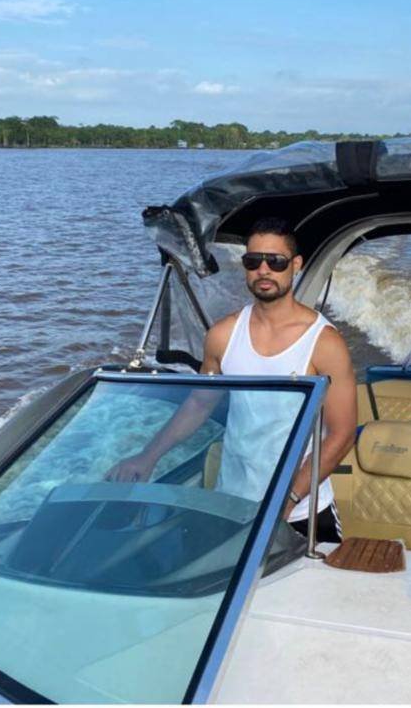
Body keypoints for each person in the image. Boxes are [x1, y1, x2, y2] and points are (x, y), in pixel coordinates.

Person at [106, 216, 357, 543]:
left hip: (301, 511)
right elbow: (199, 404)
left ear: (296, 265)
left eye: (276, 261)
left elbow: (342, 434)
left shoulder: (324, 343)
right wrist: (148, 456)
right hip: (233, 502)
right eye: (254, 261)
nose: (264, 270)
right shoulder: (223, 336)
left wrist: (287, 499)